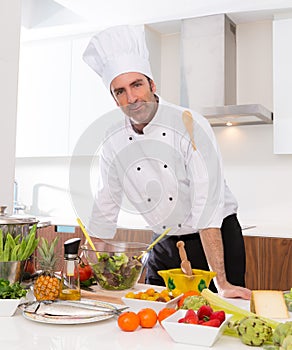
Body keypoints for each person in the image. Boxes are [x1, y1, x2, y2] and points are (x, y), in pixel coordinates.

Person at [83, 25, 251, 300]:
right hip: (162, 242)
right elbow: (105, 204)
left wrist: (221, 282)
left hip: (213, 237)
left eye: (137, 85)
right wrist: (92, 270)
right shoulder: (113, 138)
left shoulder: (189, 123)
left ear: (152, 84)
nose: (132, 98)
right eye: (120, 91)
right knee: (154, 315)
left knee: (219, 313)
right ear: (114, 98)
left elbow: (206, 207)